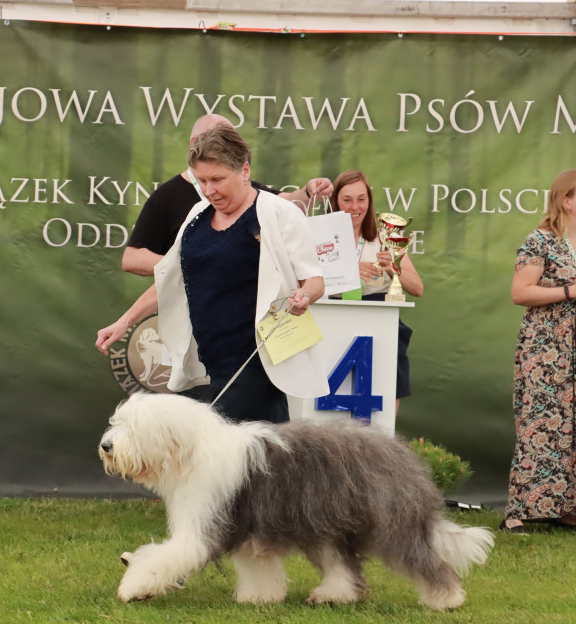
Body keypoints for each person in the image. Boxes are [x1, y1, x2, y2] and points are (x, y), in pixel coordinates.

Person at [95, 124, 329, 423]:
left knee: (250, 461)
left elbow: (315, 281)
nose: (209, 190)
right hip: (202, 364)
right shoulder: (197, 215)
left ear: (245, 171)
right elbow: (173, 280)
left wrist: (303, 296)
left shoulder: (279, 213)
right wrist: (124, 321)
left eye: (217, 179)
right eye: (201, 180)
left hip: (253, 364)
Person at [122, 114, 334, 277]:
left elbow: (287, 203)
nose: (210, 191)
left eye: (217, 180)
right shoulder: (167, 196)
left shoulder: (245, 191)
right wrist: (185, 264)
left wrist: (308, 191)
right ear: (196, 142)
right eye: (222, 140)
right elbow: (131, 258)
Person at [502, 168, 576, 534]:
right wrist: (572, 290)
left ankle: (569, 509)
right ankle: (517, 512)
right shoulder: (541, 241)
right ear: (566, 200)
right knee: (540, 423)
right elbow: (520, 292)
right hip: (545, 349)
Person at [329, 170, 424, 412]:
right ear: (335, 202)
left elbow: (417, 288)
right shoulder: (322, 236)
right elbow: (305, 283)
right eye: (346, 199)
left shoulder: (386, 236)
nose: (354, 207)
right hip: (334, 315)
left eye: (361, 199)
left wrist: (393, 268)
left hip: (379, 317)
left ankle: (385, 436)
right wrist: (348, 270)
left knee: (387, 379)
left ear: (369, 202)